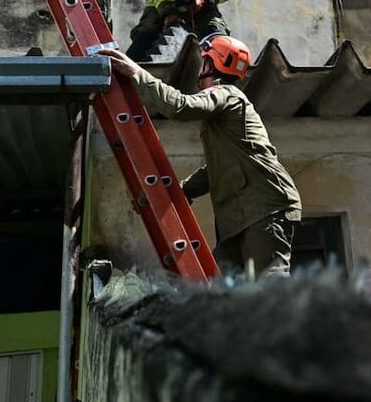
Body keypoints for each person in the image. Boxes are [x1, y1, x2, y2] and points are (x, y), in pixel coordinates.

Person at [100, 35, 302, 276]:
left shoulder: (227, 94)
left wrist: (136, 72)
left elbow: (179, 106)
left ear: (211, 65)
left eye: (203, 62)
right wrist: (179, 192)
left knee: (269, 279)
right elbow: (218, 168)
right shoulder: (226, 112)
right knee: (219, 284)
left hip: (264, 207)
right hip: (241, 216)